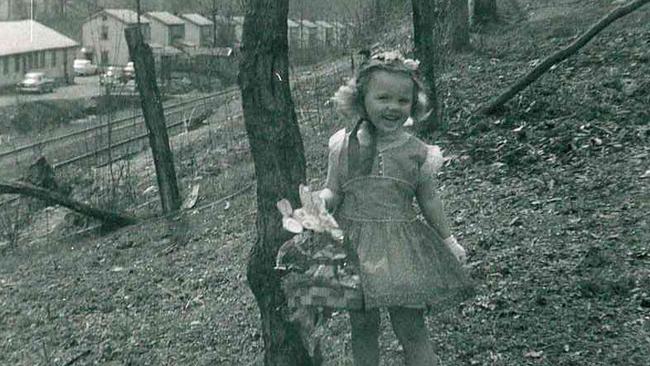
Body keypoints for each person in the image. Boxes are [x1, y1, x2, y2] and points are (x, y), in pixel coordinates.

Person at [318, 50, 474, 366]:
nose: (393, 107)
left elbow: (428, 199)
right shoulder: (342, 144)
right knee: (362, 327)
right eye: (383, 98)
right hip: (354, 248)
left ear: (413, 104)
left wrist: (449, 240)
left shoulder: (418, 153)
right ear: (362, 99)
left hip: (401, 250)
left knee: (412, 328)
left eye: (402, 101)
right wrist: (317, 206)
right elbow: (333, 190)